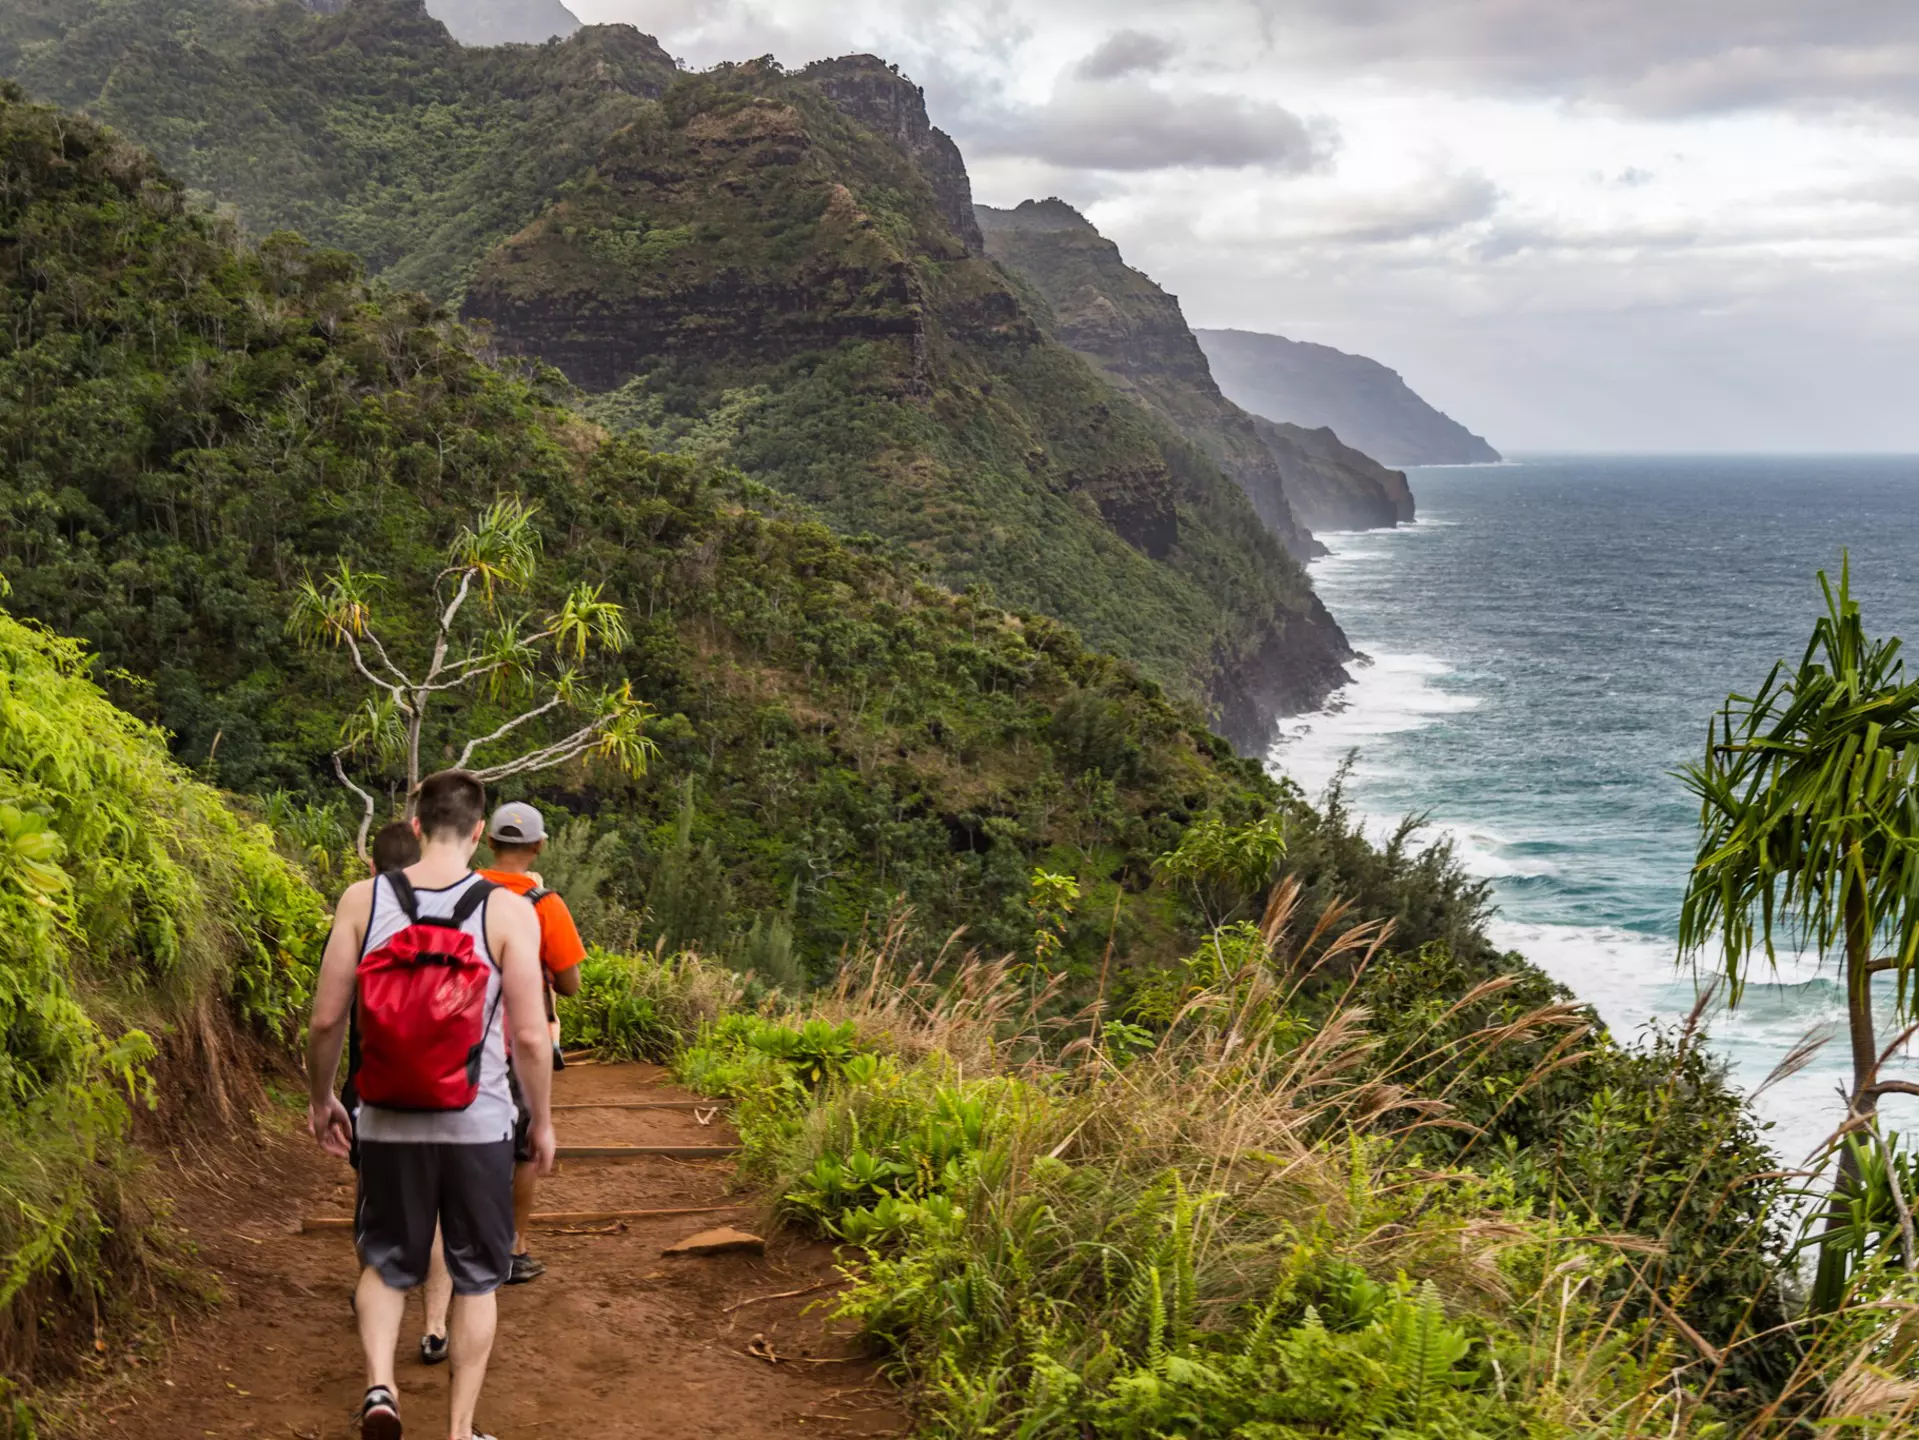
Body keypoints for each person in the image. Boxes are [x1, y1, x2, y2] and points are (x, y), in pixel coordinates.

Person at [307, 770, 555, 1440]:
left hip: (384, 1118)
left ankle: (381, 1388)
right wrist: (543, 1120)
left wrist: (324, 1098)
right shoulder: (508, 911)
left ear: (416, 825)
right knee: (477, 1276)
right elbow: (530, 1034)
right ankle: (458, 1430)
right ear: (478, 833)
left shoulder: (364, 899)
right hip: (478, 1122)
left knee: (385, 1262)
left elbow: (327, 1019)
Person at [419, 801, 583, 1360]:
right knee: (519, 1146)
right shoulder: (543, 903)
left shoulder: (456, 889)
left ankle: (432, 1244)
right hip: (517, 1033)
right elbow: (570, 984)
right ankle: (509, 1248)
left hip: (452, 1029)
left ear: (488, 842)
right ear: (536, 847)